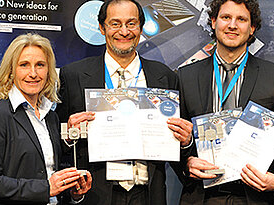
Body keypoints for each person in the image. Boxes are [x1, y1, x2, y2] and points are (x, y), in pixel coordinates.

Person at [57, 0, 193, 204]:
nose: (124, 31)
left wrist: (186, 142)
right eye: (115, 23)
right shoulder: (74, 75)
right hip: (96, 193)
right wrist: (69, 133)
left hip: (148, 194)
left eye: (131, 23)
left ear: (140, 28)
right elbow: (56, 142)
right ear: (102, 28)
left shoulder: (164, 76)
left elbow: (179, 147)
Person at [178, 0, 274, 204]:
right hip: (202, 197)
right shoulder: (186, 76)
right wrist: (186, 161)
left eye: (241, 19)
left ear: (251, 28)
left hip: (254, 197)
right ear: (213, 22)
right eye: (226, 17)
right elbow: (177, 141)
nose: (232, 25)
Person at [0, 33, 92, 204]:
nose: (33, 73)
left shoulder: (51, 116)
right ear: (11, 70)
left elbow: (48, 174)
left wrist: (74, 193)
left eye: (40, 65)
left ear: (48, 70)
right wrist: (45, 189)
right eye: (24, 65)